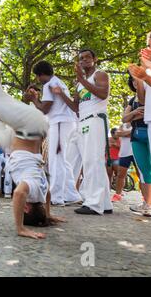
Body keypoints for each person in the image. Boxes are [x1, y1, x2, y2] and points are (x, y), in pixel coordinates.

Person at [0, 52, 64, 240]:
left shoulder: (42, 191)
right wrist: (20, 228)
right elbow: (19, 193)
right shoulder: (32, 191)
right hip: (31, 126)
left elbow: (49, 194)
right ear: (26, 208)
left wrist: (48, 215)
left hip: (37, 129)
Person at [51, 49, 113, 215]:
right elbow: (75, 108)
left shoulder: (100, 75)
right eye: (81, 58)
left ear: (95, 59)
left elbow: (102, 93)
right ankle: (105, 203)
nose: (84, 60)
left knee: (93, 161)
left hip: (95, 119)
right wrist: (62, 94)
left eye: (87, 57)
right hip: (82, 121)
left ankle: (93, 203)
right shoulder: (80, 84)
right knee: (85, 160)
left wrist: (80, 79)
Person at [27, 60, 82, 206]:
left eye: (38, 77)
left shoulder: (48, 84)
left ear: (41, 74)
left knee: (55, 160)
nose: (38, 80)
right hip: (67, 123)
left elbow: (45, 109)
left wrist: (34, 99)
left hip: (59, 123)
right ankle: (71, 195)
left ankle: (56, 197)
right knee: (63, 160)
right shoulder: (58, 82)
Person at [129, 28, 151, 219]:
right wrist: (139, 79)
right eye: (148, 45)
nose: (150, 49)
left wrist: (149, 74)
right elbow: (142, 99)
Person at [122, 74, 151, 212]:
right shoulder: (131, 100)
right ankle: (147, 203)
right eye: (133, 80)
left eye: (138, 79)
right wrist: (135, 112)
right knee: (143, 170)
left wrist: (136, 115)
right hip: (137, 137)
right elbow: (125, 119)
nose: (135, 82)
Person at [112, 123, 135, 202]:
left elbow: (134, 134)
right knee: (120, 174)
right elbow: (117, 134)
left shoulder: (136, 123)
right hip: (124, 153)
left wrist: (123, 134)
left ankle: (144, 197)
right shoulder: (123, 125)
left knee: (140, 175)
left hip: (136, 152)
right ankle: (117, 195)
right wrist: (131, 132)